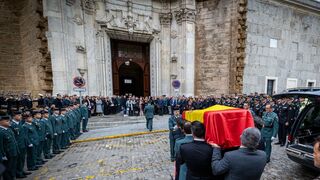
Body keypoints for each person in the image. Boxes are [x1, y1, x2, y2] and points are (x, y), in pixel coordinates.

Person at [10, 111, 31, 178]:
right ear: (14, 116)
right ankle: (18, 173)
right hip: (17, 145)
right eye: (18, 115)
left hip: (22, 144)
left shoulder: (20, 123)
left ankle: (21, 170)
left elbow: (23, 134)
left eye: (20, 115)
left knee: (22, 158)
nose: (20, 116)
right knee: (18, 160)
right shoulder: (12, 125)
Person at [0, 114, 19, 180]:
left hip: (13, 152)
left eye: (9, 121)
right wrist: (3, 155)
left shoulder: (9, 130)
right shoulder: (1, 132)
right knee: (6, 169)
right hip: (7, 154)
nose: (9, 122)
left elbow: (13, 141)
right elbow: (1, 145)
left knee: (12, 168)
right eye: (7, 121)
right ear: (1, 122)